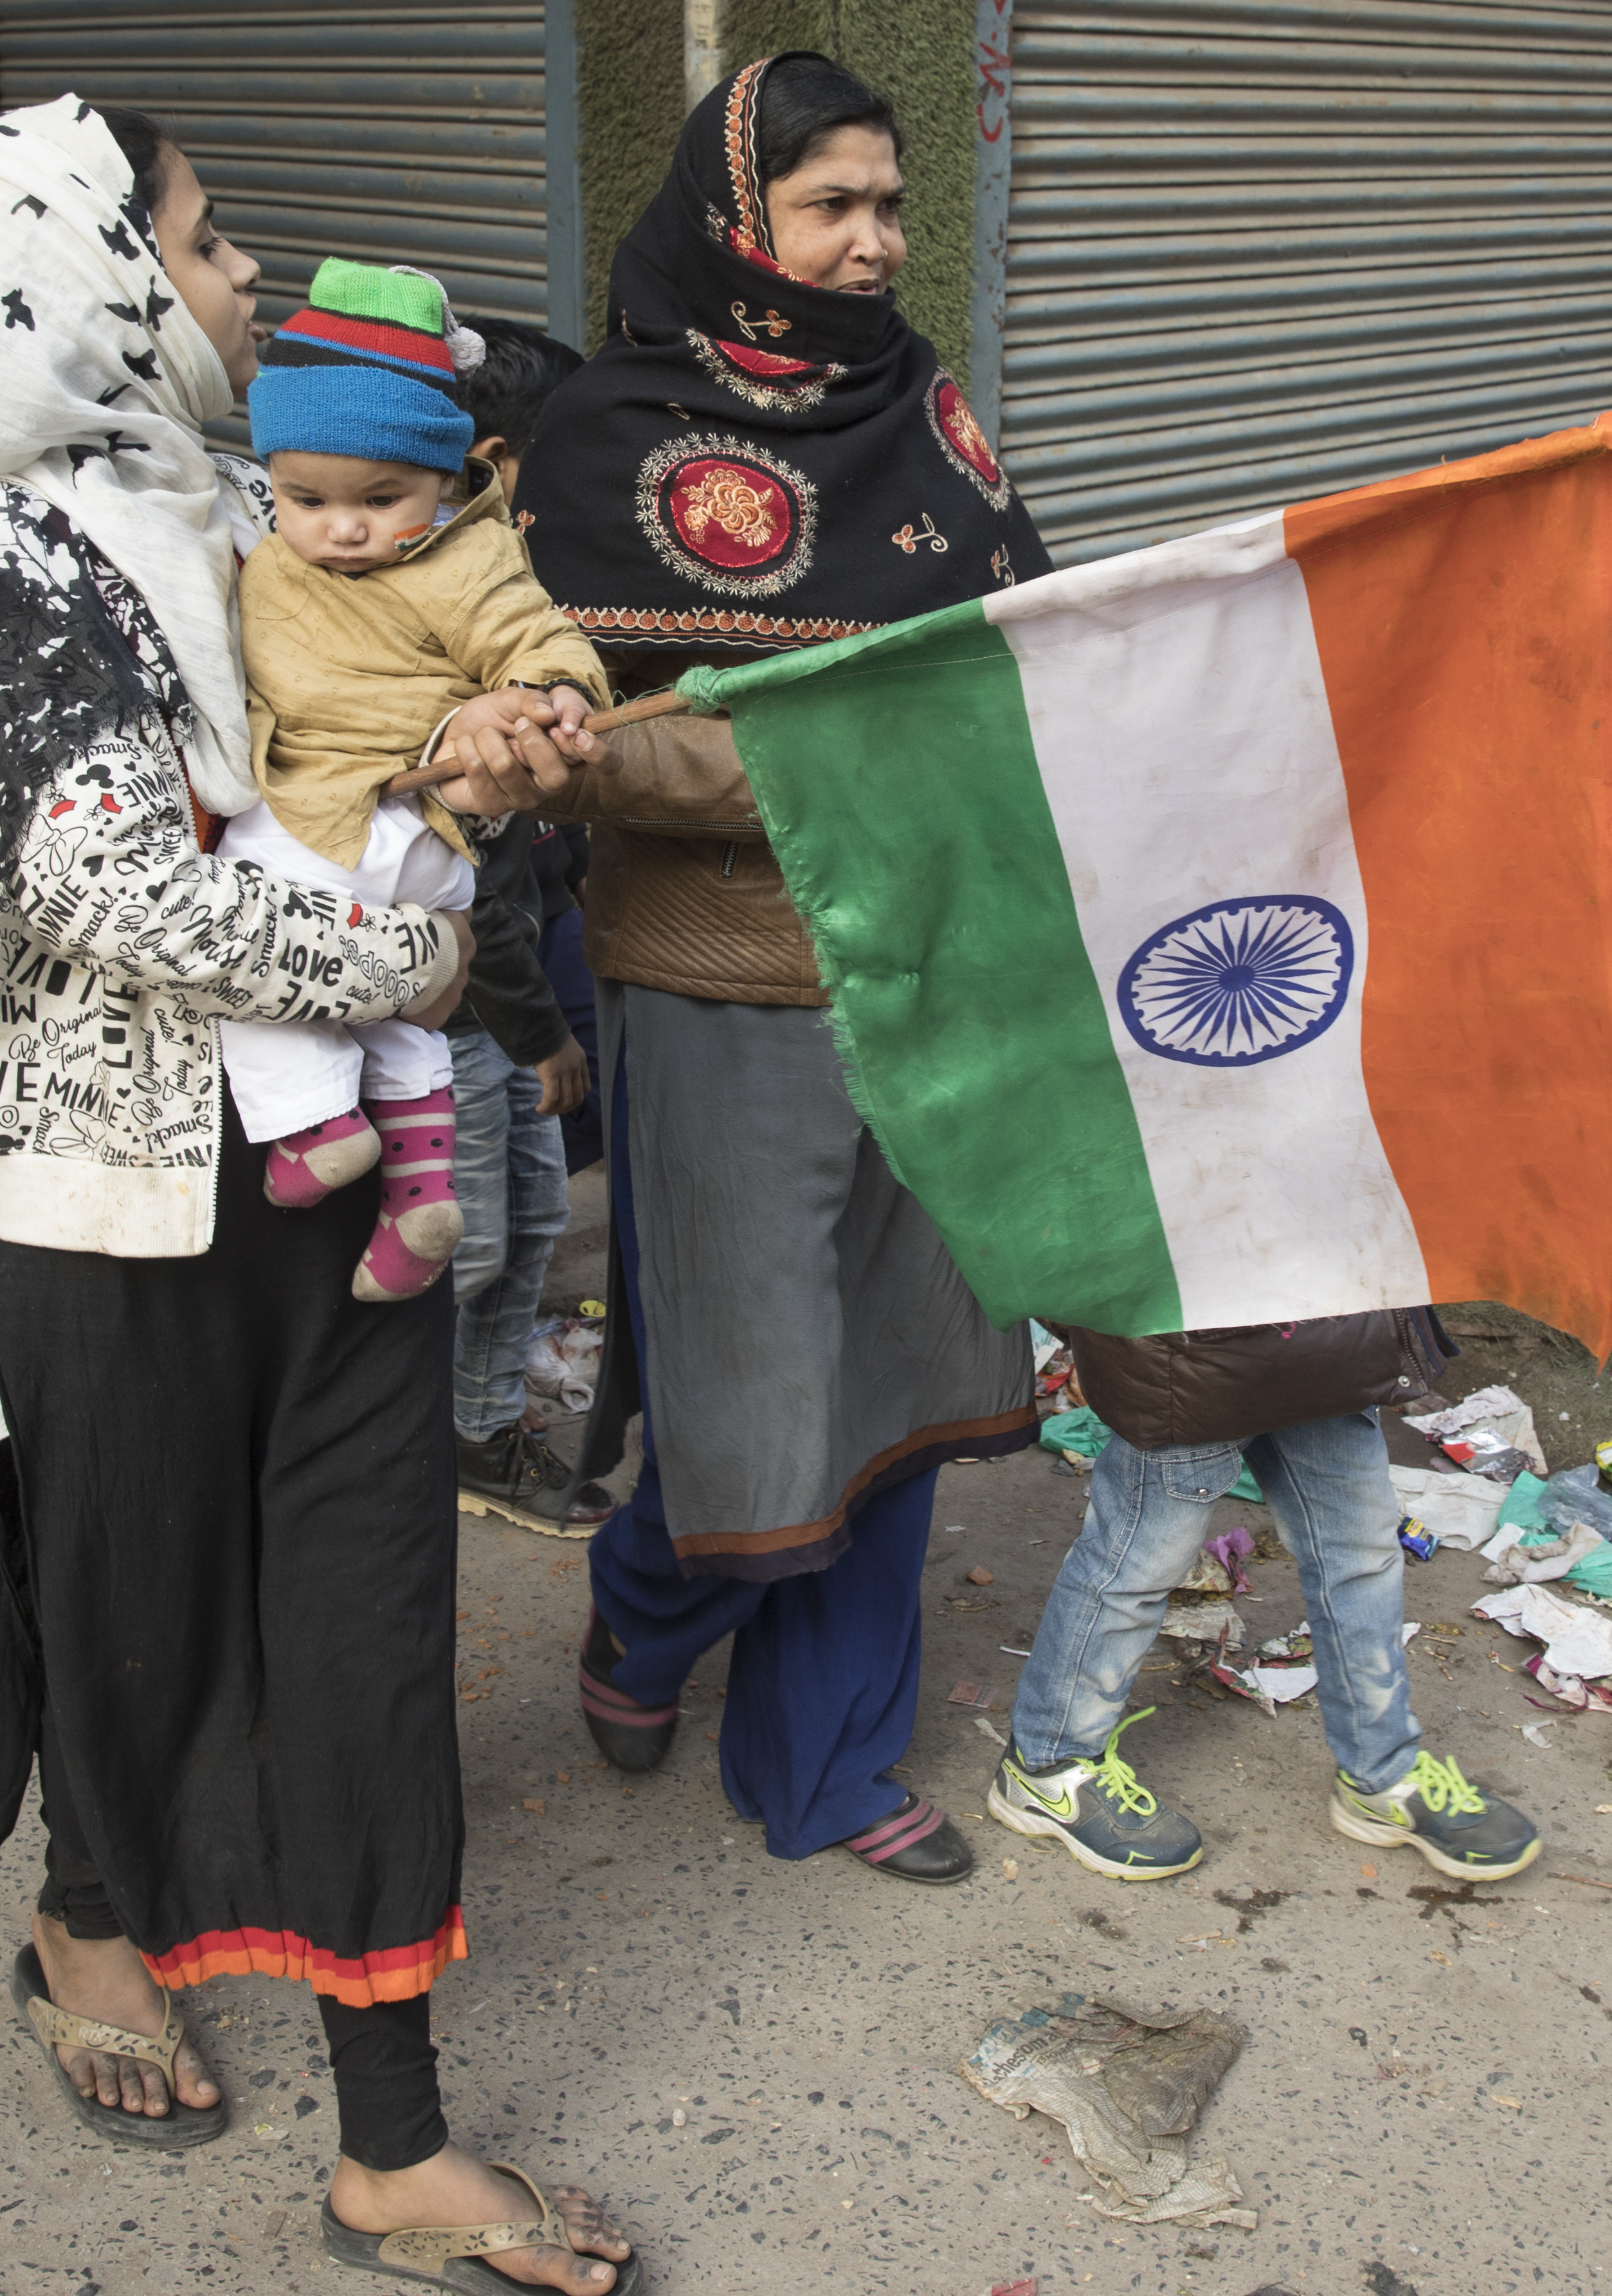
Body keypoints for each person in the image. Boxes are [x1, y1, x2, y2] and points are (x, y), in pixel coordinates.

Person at [0, 96, 635, 2293]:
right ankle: (87, 1913)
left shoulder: (234, 505)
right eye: (201, 248)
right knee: (128, 1615)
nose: (236, 284)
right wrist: (415, 939)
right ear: (70, 287)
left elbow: (356, 754)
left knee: (366, 1621)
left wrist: (473, 765)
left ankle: (391, 2141)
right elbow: (116, 881)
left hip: (328, 1184)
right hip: (111, 1213)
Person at [516, 53, 1053, 1886]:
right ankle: (644, 1613)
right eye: (830, 205)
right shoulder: (612, 437)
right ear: (737, 218)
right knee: (756, 1404)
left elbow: (1012, 656)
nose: (874, 243)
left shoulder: (928, 411)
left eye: (892, 206)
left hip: (924, 973)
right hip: (718, 987)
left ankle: (822, 1764)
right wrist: (858, 760)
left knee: (894, 1385)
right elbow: (585, 737)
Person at [219, 259, 607, 1302]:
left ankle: (315, 1126)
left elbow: (536, 640)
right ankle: (417, 1196)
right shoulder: (270, 553)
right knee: (405, 1017)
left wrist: (547, 696)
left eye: (379, 499)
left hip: (353, 820)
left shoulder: (449, 560)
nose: (342, 527)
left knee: (249, 933)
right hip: (431, 854)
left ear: (446, 480)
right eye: (307, 499)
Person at [990, 1316, 1546, 1884]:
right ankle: (1049, 1766)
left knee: (1362, 1556)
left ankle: (1381, 1775)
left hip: (1323, 1349)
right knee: (1135, 1566)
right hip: (1190, 1360)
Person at [446, 314, 611, 1530]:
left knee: (529, 1219)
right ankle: (422, 1439)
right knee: (465, 1238)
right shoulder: (437, 633)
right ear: (497, 464)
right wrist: (540, 1029)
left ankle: (485, 1430)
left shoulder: (518, 611)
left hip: (505, 986)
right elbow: (473, 883)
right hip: (460, 1001)